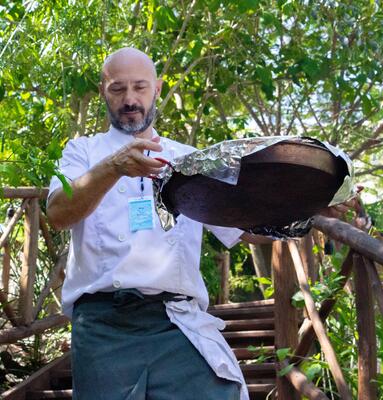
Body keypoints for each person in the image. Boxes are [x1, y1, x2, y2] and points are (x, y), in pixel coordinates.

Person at [47, 47, 356, 400]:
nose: (130, 99)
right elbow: (57, 214)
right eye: (118, 88)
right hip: (103, 326)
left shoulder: (186, 159)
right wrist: (113, 168)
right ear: (103, 90)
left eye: (140, 87)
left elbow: (243, 227)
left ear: (157, 89)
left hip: (175, 319)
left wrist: (309, 208)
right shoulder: (82, 153)